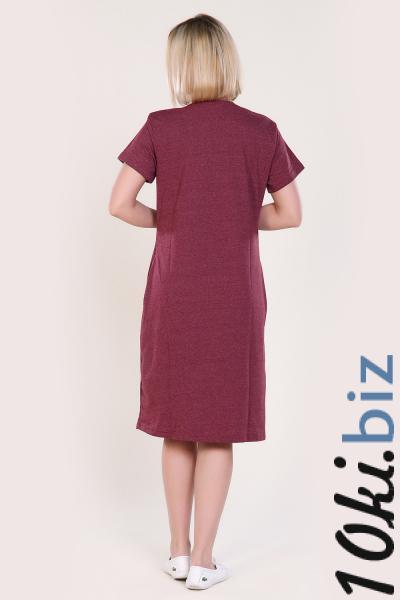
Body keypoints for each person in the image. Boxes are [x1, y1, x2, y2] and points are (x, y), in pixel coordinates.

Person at [109, 13, 305, 591]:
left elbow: (119, 203)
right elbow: (290, 214)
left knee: (176, 424)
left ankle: (175, 552)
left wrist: (171, 219)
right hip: (233, 297)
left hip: (174, 293)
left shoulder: (160, 127)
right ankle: (203, 561)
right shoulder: (261, 130)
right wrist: (236, 217)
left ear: (180, 65)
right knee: (216, 427)